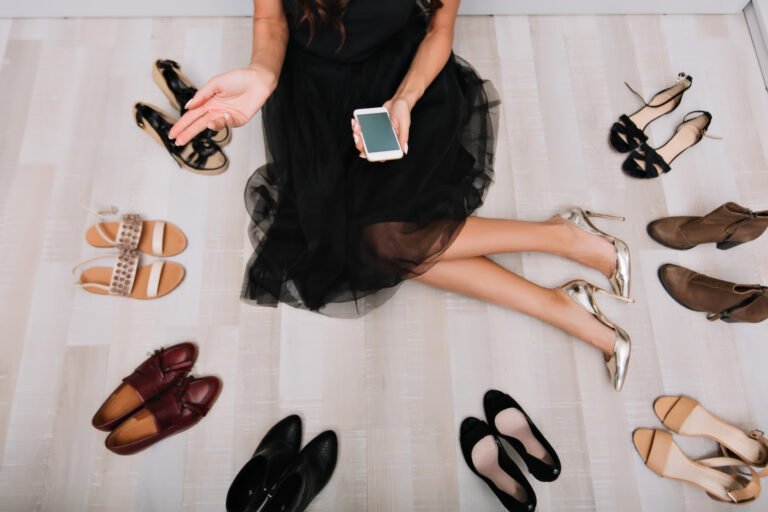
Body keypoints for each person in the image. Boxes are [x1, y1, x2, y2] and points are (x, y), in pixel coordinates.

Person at [168, 0, 633, 390]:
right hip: (314, 95)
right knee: (371, 246)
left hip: (400, 83)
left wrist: (405, 100)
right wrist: (263, 75)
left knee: (382, 243)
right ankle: (561, 263)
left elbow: (439, 29)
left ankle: (564, 255)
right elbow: (271, 20)